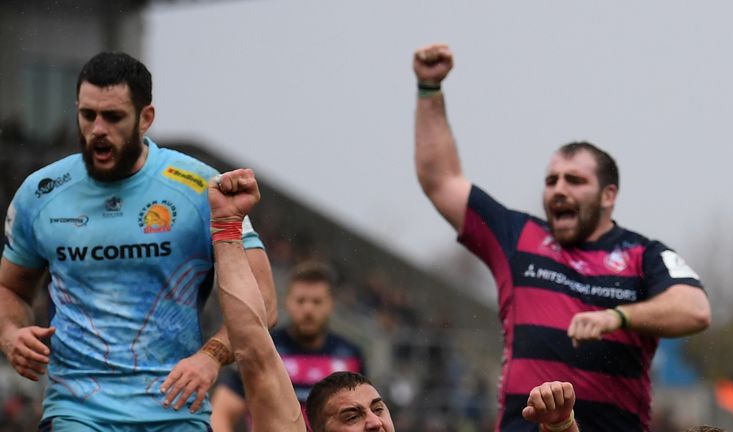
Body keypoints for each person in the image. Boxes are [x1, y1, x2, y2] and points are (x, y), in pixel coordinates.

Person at [412, 43, 711, 432]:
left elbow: (695, 309)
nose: (558, 189)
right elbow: (440, 180)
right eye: (551, 180)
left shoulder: (641, 254)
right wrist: (429, 90)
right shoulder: (516, 237)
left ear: (609, 196)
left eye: (575, 180)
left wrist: (616, 317)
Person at [0, 52, 277, 431]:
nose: (98, 129)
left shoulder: (199, 189)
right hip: (78, 413)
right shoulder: (41, 194)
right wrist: (10, 333)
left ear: (146, 118)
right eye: (87, 115)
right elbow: (9, 288)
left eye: (113, 117)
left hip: (176, 412)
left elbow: (265, 300)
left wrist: (210, 358)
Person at [209, 168, 578, 432]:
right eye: (351, 417)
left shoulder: (350, 350)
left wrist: (561, 425)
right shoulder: (275, 357)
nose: (373, 422)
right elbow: (252, 349)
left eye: (379, 409)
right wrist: (228, 227)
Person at [211, 261, 365, 431]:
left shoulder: (351, 356)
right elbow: (221, 413)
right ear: (287, 302)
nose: (308, 309)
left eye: (317, 302)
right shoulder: (261, 348)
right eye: (301, 301)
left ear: (331, 305)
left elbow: (362, 417)